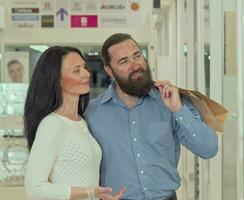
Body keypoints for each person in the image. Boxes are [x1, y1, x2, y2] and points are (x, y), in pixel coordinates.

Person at [84, 33, 218, 200]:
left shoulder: (170, 101)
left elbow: (209, 149)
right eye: (124, 61)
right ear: (109, 70)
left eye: (137, 56)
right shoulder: (92, 113)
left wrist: (178, 109)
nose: (135, 65)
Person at [24, 46, 125, 200]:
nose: (86, 73)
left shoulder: (82, 121)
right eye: (76, 70)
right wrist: (89, 192)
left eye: (84, 67)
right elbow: (35, 189)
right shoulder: (52, 124)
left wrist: (98, 195)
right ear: (57, 80)